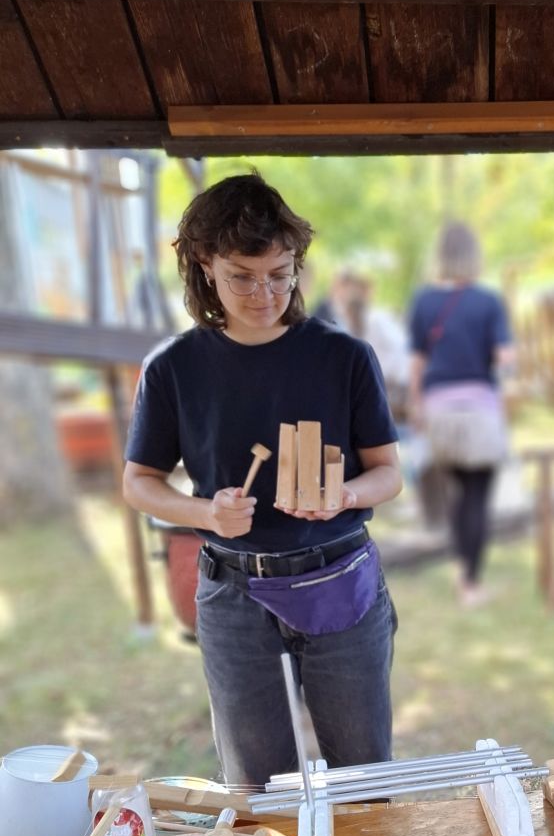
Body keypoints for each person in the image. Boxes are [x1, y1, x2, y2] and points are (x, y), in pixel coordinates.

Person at [123, 173, 403, 789]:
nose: (263, 293)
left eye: (280, 273)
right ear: (203, 264)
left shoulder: (345, 357)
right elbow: (139, 482)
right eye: (242, 277)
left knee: (363, 775)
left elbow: (388, 473)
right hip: (232, 589)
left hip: (339, 578)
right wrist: (204, 513)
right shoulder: (173, 368)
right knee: (257, 788)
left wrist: (347, 495)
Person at [408, 221, 514, 608]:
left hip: (438, 408)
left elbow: (417, 361)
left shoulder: (423, 301)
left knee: (456, 492)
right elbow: (505, 358)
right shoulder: (487, 301)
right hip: (479, 409)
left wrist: (418, 406)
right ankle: (471, 581)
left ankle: (462, 571)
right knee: (477, 495)